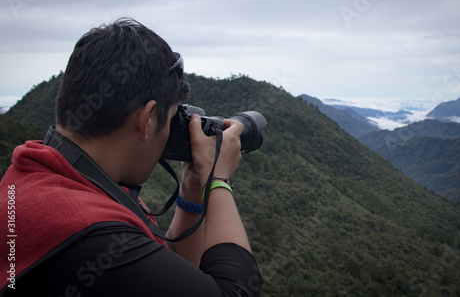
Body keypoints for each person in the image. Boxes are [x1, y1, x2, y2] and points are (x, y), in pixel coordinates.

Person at [0, 18, 263, 296]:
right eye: (171, 118)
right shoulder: (93, 231)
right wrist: (217, 178)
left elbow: (167, 274)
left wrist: (192, 189)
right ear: (147, 118)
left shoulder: (34, 176)